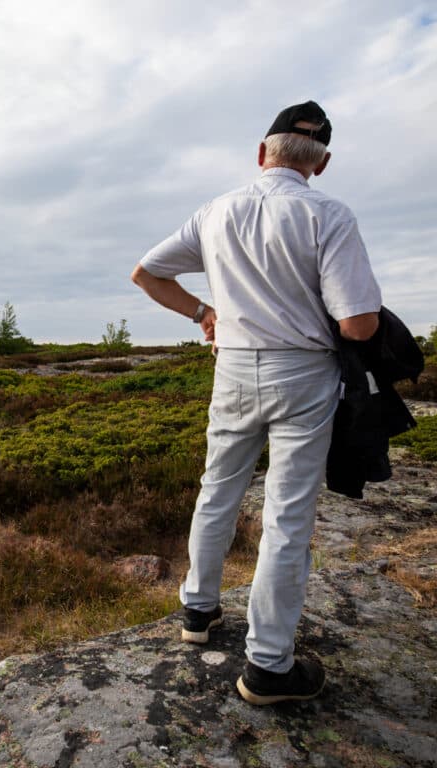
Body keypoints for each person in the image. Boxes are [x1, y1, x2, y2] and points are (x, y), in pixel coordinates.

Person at [131, 101, 381, 705]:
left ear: (261, 153)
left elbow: (146, 273)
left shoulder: (217, 211)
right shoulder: (329, 214)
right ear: (320, 163)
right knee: (286, 515)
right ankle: (269, 665)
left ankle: (197, 611)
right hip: (303, 374)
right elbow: (359, 325)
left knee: (217, 488)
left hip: (235, 368)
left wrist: (204, 312)